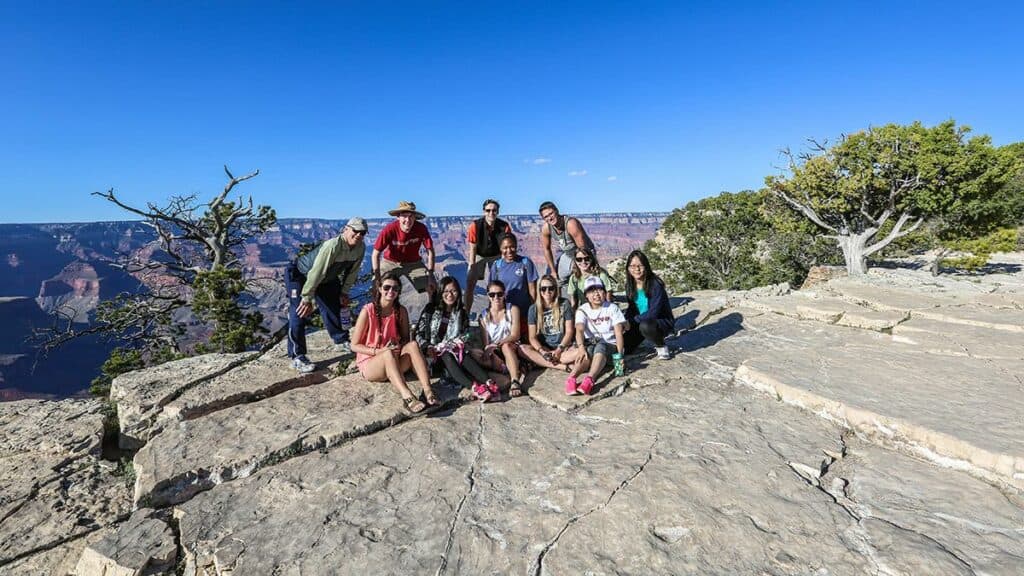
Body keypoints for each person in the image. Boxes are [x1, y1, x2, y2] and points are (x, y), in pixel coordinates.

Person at [286, 216, 368, 373]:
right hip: (301, 275)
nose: (358, 235)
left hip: (326, 278)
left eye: (363, 233)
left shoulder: (360, 248)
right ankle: (297, 357)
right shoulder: (333, 245)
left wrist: (344, 292)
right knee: (299, 312)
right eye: (355, 231)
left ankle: (340, 341)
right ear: (346, 229)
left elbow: (353, 272)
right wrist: (307, 297)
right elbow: (317, 272)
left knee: (334, 305)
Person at [351, 271, 438, 414]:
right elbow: (354, 345)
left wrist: (398, 343)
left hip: (395, 359)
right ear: (379, 288)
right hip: (372, 364)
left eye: (395, 288)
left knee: (413, 345)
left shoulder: (400, 311)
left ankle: (428, 390)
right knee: (386, 354)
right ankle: (408, 397)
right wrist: (378, 351)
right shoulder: (368, 311)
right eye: (386, 287)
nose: (391, 291)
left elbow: (405, 339)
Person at [414, 277, 500, 402]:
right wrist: (427, 347)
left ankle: (488, 382)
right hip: (432, 356)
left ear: (458, 293)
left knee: (460, 353)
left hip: (453, 352)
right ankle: (474, 387)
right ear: (441, 292)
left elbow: (466, 334)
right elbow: (418, 333)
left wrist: (457, 343)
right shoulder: (430, 310)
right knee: (447, 354)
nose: (450, 295)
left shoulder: (461, 312)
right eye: (446, 291)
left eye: (454, 291)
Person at [568, 276, 627, 396]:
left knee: (601, 346)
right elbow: (579, 330)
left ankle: (590, 379)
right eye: (591, 291)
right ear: (586, 296)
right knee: (586, 352)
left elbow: (618, 333)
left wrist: (619, 357)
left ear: (604, 292)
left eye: (599, 289)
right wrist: (580, 347)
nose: (596, 293)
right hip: (592, 345)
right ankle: (571, 379)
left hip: (610, 347)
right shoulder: (582, 310)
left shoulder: (612, 308)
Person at [471, 280, 525, 398]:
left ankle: (514, 380)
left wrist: (496, 345)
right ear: (488, 296)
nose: (496, 297)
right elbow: (486, 344)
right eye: (492, 294)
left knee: (506, 346)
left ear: (504, 294)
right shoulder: (483, 316)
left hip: (511, 348)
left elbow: (515, 335)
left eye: (499, 294)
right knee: (474, 353)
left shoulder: (512, 309)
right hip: (495, 353)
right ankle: (506, 369)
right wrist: (491, 353)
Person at [372, 201, 437, 297]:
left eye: (411, 216)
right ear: (398, 217)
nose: (408, 219)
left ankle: (431, 310)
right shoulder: (390, 229)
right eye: (404, 216)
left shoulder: (421, 228)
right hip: (390, 262)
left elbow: (430, 251)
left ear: (415, 217)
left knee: (431, 287)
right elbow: (375, 254)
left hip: (414, 263)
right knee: (378, 286)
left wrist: (430, 274)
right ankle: (378, 310)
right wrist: (377, 277)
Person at [520, 274, 583, 372]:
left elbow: (569, 331)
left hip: (564, 347)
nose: (547, 292)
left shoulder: (564, 304)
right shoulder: (533, 309)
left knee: (581, 351)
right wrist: (542, 351)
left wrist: (559, 349)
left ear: (555, 289)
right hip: (545, 348)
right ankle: (562, 366)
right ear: (539, 290)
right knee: (522, 349)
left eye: (551, 288)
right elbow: (532, 337)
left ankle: (540, 362)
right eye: (543, 289)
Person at [623, 249, 675, 359]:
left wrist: (632, 321)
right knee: (624, 348)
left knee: (645, 326)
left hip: (658, 322)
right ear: (628, 268)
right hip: (639, 321)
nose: (636, 269)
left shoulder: (655, 285)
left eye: (640, 266)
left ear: (646, 266)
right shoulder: (630, 285)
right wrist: (624, 322)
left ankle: (661, 346)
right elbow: (632, 308)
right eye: (632, 266)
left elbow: (653, 313)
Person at [487, 233, 538, 340]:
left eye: (512, 246)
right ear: (500, 249)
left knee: (525, 342)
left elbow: (532, 290)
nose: (509, 250)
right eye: (505, 248)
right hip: (505, 315)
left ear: (516, 246)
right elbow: (491, 291)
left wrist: (534, 311)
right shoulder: (497, 266)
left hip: (524, 312)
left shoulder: (525, 263)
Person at [464, 199, 512, 310]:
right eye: (488, 210)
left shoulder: (504, 227)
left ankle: (496, 311)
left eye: (494, 210)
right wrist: (472, 266)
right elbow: (473, 247)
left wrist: (506, 265)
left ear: (498, 212)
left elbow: (507, 246)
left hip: (496, 255)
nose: (491, 213)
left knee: (499, 285)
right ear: (484, 211)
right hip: (479, 254)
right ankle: (465, 313)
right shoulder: (475, 226)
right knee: (470, 283)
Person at [539, 201, 596, 289]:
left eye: (551, 214)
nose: (550, 218)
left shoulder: (570, 224)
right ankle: (563, 300)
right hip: (568, 254)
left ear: (557, 211)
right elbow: (546, 249)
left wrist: (578, 266)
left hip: (585, 254)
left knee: (584, 279)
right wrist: (553, 272)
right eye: (546, 216)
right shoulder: (546, 228)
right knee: (556, 280)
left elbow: (582, 249)